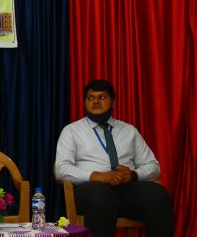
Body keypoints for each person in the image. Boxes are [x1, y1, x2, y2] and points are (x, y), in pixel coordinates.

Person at [55, 79, 174, 237]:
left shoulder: (129, 131)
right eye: (91, 98)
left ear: (113, 102)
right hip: (90, 190)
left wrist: (133, 175)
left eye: (102, 97)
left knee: (159, 196)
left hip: (126, 189)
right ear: (84, 103)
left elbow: (153, 166)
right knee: (101, 195)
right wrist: (97, 176)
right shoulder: (71, 131)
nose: (96, 101)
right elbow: (61, 169)